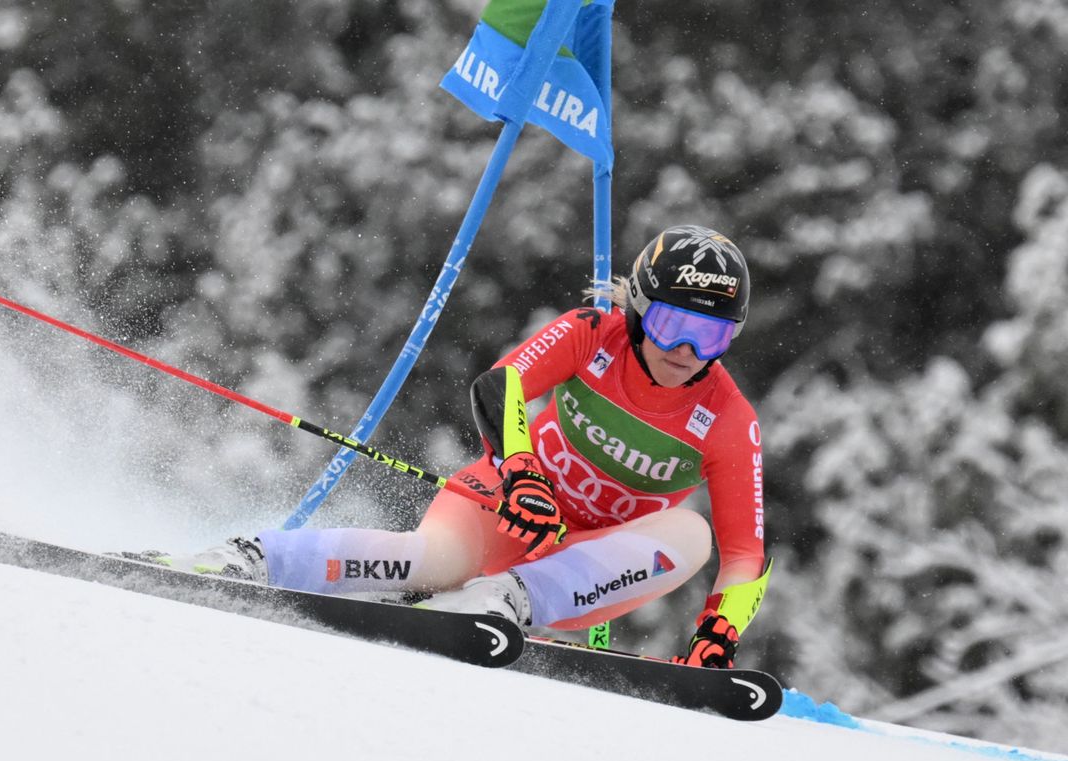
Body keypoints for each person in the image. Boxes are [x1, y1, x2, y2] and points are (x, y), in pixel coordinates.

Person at [130, 224, 771, 668]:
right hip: (510, 507)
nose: (685, 353)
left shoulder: (726, 418)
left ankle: (502, 600)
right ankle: (251, 558)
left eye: (710, 337)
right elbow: (504, 384)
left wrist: (721, 631)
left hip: (583, 566)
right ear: (637, 308)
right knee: (430, 558)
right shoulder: (591, 333)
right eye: (670, 325)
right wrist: (521, 472)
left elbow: (746, 553)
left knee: (693, 534)